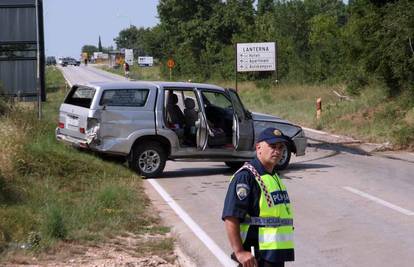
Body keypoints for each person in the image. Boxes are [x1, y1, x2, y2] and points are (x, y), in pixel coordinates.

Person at [222, 127, 295, 267]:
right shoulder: (246, 177)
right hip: (257, 256)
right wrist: (239, 252)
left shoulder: (273, 176)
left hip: (275, 255)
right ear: (258, 148)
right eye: (272, 146)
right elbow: (231, 216)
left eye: (280, 147)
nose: (278, 151)